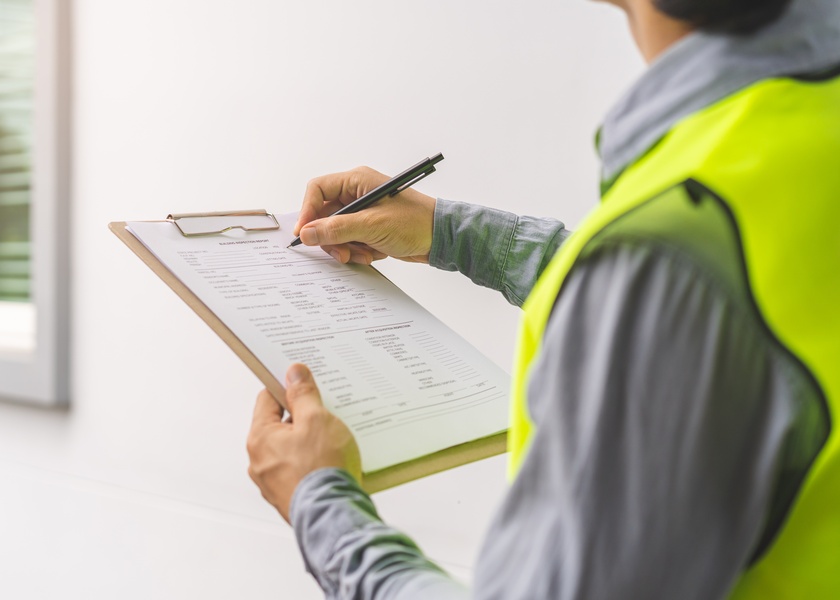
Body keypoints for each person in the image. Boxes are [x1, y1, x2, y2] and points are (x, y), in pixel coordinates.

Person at [246, 0, 840, 597]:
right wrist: (451, 232)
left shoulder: (671, 256)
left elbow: (680, 288)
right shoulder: (804, 118)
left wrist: (321, 506)